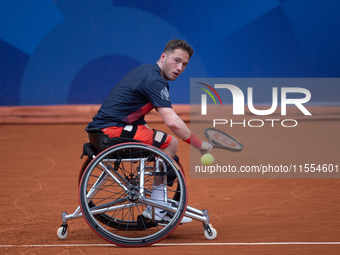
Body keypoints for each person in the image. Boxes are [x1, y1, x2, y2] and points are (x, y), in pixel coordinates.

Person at [87, 39, 212, 223]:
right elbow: (173, 122)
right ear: (163, 57)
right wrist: (200, 145)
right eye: (176, 60)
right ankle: (156, 210)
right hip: (111, 131)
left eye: (184, 64)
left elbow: (136, 119)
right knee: (170, 142)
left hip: (104, 131)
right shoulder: (154, 80)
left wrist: (155, 142)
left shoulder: (147, 71)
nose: (180, 67)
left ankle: (158, 202)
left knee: (161, 141)